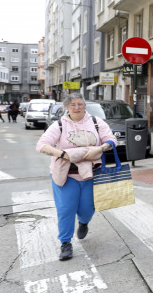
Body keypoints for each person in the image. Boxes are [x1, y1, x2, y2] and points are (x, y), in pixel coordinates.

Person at [35, 93, 117, 261]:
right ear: (66, 107)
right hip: (66, 175)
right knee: (66, 209)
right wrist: (64, 154)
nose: (77, 107)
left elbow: (111, 139)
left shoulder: (96, 122)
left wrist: (101, 148)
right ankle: (65, 243)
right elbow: (41, 145)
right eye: (73, 104)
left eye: (80, 104)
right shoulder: (59, 125)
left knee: (88, 208)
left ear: (84, 105)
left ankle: (84, 222)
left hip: (91, 174)